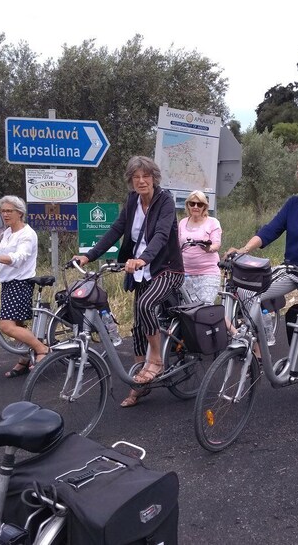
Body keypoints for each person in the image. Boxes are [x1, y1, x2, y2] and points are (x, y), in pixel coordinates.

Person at [228, 153, 298, 430]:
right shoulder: (293, 204)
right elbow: (270, 231)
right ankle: (258, 346)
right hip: (293, 270)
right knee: (247, 292)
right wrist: (242, 251)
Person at [75, 156, 184, 408]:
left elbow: (161, 234)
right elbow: (116, 230)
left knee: (146, 305)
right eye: (136, 177)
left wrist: (143, 259)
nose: (141, 181)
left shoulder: (165, 200)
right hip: (139, 270)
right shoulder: (133, 200)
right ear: (131, 180)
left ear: (154, 178)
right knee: (137, 326)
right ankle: (139, 383)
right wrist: (89, 255)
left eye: (146, 176)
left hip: (166, 268)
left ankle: (156, 359)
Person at [0, 195, 48, 378]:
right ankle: (25, 359)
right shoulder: (8, 233)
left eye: (9, 211)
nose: (5, 214)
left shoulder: (27, 234)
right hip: (7, 283)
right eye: (2, 211)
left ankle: (42, 349)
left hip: (21, 283)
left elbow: (19, 258)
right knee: (18, 325)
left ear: (20, 213)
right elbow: (2, 253)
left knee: (7, 325)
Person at [178, 190, 222, 304]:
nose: (195, 207)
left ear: (204, 207)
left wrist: (208, 248)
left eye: (199, 204)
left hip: (208, 273)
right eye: (192, 204)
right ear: (188, 205)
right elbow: (178, 246)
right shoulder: (182, 223)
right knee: (186, 310)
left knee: (204, 307)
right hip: (185, 273)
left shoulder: (213, 222)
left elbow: (216, 245)